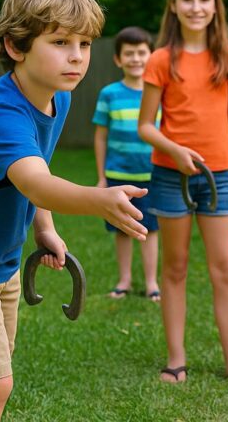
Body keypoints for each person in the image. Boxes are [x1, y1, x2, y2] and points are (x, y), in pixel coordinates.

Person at [0, 0, 149, 421]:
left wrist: (45, 227)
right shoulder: (2, 114)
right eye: (60, 42)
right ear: (16, 46)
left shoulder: (54, 98)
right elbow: (35, 183)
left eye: (84, 43)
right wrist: (98, 199)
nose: (77, 56)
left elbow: (38, 168)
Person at [138, 0, 228, 388]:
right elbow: (146, 126)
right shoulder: (160, 60)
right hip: (170, 177)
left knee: (226, 269)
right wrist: (175, 151)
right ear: (174, 6)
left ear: (216, 6)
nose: (196, 7)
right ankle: (176, 359)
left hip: (220, 180)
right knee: (175, 267)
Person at [93, 26, 161, 302]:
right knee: (122, 228)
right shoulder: (109, 94)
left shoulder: (159, 92)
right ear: (118, 59)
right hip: (118, 174)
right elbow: (101, 137)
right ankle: (124, 280)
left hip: (152, 174)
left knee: (151, 228)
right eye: (129, 54)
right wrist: (101, 176)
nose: (135, 59)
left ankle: (152, 283)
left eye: (141, 53)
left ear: (151, 56)